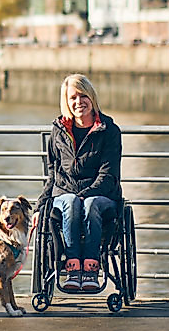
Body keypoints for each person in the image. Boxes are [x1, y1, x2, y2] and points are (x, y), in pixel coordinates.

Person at [33, 73, 122, 292]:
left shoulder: (109, 131)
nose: (78, 102)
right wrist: (38, 207)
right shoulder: (59, 131)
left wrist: (87, 193)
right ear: (66, 102)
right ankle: (73, 268)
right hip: (65, 195)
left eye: (83, 96)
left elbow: (108, 175)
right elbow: (52, 175)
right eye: (72, 98)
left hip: (102, 196)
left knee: (89, 204)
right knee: (71, 202)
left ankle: (91, 269)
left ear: (91, 97)